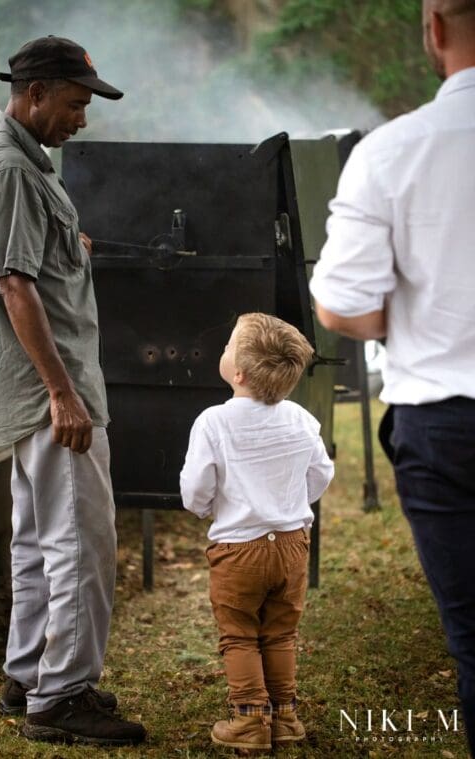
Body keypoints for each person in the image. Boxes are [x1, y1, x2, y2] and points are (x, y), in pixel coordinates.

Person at [0, 35, 146, 746]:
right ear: (35, 93)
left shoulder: (5, 157)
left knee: (41, 537)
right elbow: (14, 283)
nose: (82, 119)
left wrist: (71, 249)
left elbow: (25, 263)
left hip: (28, 392)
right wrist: (62, 393)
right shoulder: (10, 169)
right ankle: (63, 694)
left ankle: (28, 672)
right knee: (81, 540)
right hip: (52, 394)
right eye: (74, 104)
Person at [309, 0, 475, 752]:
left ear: (435, 28)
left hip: (444, 427)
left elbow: (341, 307)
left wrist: (412, 321)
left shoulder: (390, 150)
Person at [180, 312, 334, 752]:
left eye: (228, 345)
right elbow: (320, 474)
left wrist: (208, 510)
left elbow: (195, 487)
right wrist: (288, 504)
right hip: (291, 545)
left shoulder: (214, 421)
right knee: (281, 632)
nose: (223, 350)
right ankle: (284, 716)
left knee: (240, 633)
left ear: (239, 372)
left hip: (238, 550)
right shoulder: (302, 419)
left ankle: (249, 720)